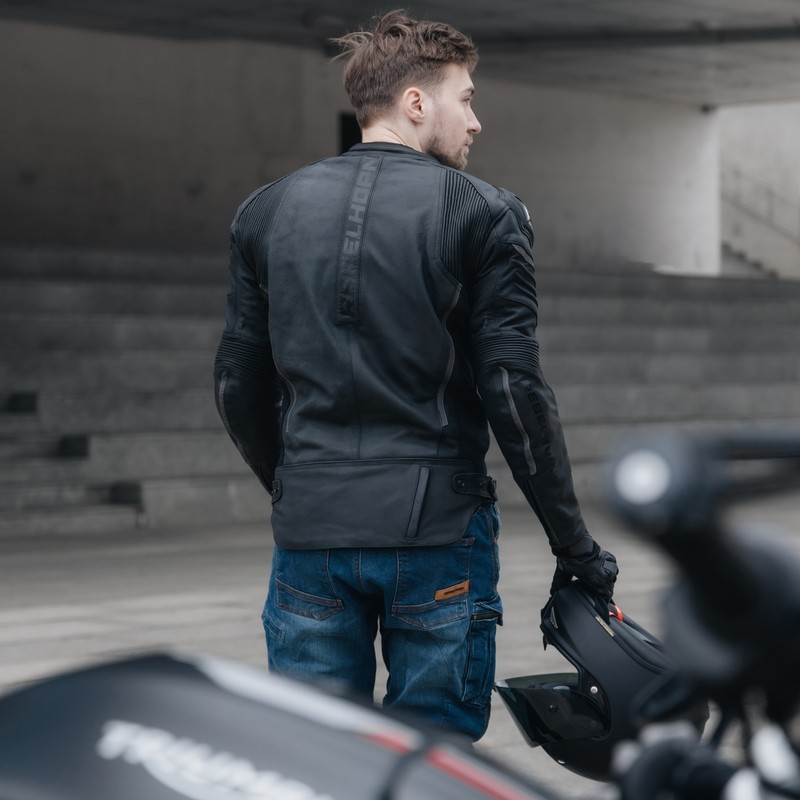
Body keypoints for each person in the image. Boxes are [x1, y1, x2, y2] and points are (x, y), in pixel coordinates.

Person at [213, 9, 618, 742]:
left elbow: (238, 379)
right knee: (432, 764)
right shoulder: (486, 213)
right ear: (416, 103)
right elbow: (513, 389)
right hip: (437, 532)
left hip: (312, 530)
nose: (476, 121)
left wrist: (299, 485)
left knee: (315, 755)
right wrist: (575, 548)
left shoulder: (264, 211)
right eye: (466, 98)